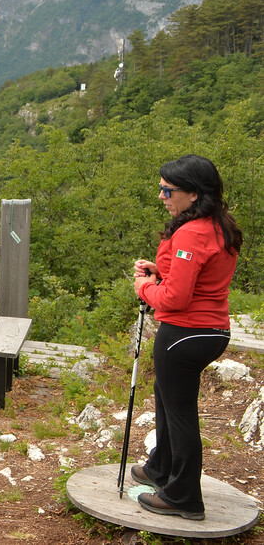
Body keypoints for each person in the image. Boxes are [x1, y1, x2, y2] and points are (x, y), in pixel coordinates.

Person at [132, 154, 241, 521]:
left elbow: (176, 299)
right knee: (166, 399)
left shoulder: (191, 233)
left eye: (168, 190)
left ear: (193, 194)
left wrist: (144, 287)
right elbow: (198, 278)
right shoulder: (218, 226)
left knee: (179, 415)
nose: (162, 195)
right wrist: (159, 270)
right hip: (211, 330)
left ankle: (183, 497)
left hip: (183, 334)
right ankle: (160, 468)